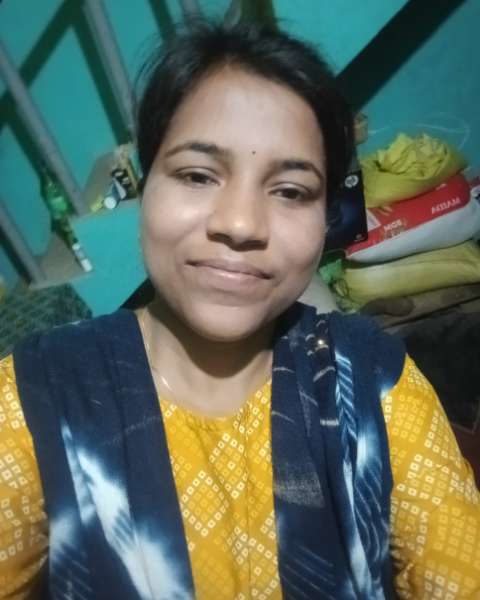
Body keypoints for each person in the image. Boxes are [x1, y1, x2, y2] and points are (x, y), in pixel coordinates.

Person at [1, 20, 479, 600]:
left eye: (291, 191)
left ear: (326, 216)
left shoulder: (372, 381)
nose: (241, 223)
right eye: (198, 175)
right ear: (147, 187)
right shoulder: (39, 396)